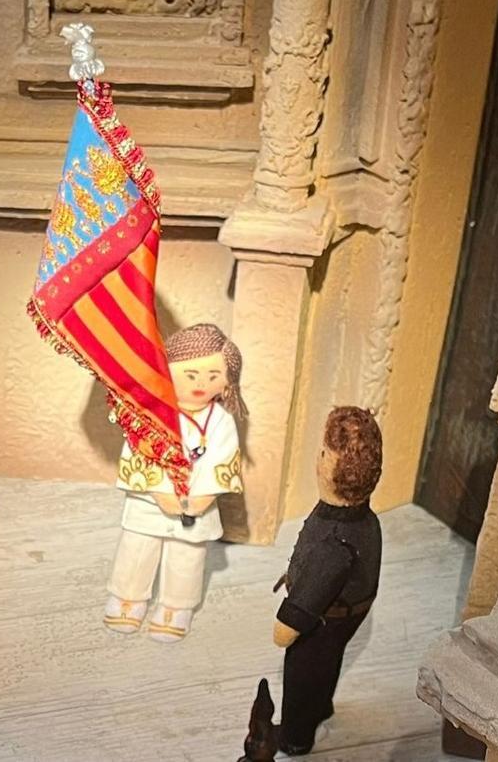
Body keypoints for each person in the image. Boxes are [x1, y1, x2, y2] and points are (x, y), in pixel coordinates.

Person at [103, 323, 245, 642]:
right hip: (150, 502)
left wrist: (201, 498)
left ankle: (176, 606)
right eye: (190, 375)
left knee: (187, 556)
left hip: (195, 506)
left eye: (213, 375)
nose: (201, 384)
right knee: (137, 549)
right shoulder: (149, 412)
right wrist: (160, 492)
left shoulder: (221, 421)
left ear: (228, 381)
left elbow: (223, 459)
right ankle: (128, 597)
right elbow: (139, 450)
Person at [272, 406, 383, 756]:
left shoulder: (333, 543)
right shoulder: (364, 519)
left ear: (332, 467)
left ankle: (295, 736)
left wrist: (286, 623)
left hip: (326, 618)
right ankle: (321, 707)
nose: (318, 458)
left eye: (324, 453)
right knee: (328, 660)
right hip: (350, 610)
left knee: (303, 672)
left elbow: (309, 597)